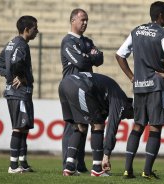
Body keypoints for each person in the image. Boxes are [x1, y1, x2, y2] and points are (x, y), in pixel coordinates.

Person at [115, 1, 164, 179]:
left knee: (138, 126)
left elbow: (119, 55)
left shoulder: (136, 31)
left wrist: (132, 77)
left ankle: (127, 169)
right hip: (157, 87)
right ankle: (147, 171)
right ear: (161, 16)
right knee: (155, 127)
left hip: (139, 87)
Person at [58, 72, 133, 177]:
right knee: (98, 125)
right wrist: (106, 155)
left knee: (80, 127)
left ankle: (69, 167)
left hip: (64, 84)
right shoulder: (121, 101)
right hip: (80, 85)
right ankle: (97, 169)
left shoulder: (110, 96)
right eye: (128, 116)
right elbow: (112, 128)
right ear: (129, 107)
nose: (125, 118)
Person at [60, 8, 103, 174]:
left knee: (83, 126)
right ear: (73, 21)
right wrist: (90, 56)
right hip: (71, 87)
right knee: (73, 127)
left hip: (85, 88)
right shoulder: (67, 41)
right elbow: (79, 62)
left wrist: (89, 56)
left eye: (87, 20)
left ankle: (79, 163)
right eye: (82, 20)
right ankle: (68, 163)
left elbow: (100, 59)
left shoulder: (87, 41)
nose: (85, 23)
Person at [0, 15, 39, 173]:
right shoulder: (21, 45)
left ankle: (23, 163)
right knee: (19, 128)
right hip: (18, 92)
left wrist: (9, 76)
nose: (37, 31)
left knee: (24, 127)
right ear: (27, 30)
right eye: (35, 28)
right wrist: (18, 77)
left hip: (17, 93)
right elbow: (16, 63)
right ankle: (13, 166)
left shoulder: (12, 43)